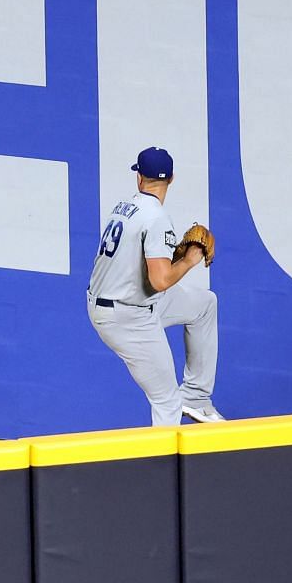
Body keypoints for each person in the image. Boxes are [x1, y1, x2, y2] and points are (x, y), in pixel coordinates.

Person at [87, 146, 224, 426]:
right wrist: (188, 261)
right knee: (166, 400)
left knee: (204, 305)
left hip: (123, 300)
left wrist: (173, 256)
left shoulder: (124, 207)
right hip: (127, 317)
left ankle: (196, 397)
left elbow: (139, 264)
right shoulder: (157, 218)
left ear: (139, 178)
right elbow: (160, 280)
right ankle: (164, 467)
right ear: (171, 179)